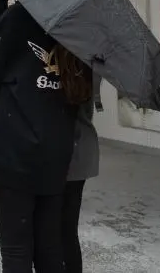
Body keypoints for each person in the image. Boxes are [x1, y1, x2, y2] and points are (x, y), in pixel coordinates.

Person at [0, 0, 83, 273]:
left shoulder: (20, 16)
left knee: (16, 250)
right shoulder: (77, 25)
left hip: (14, 149)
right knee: (49, 248)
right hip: (56, 149)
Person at [63, 72, 100, 273]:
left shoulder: (69, 65)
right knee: (67, 230)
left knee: (59, 230)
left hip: (67, 150)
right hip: (80, 148)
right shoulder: (89, 62)